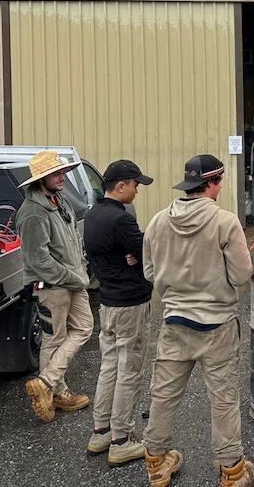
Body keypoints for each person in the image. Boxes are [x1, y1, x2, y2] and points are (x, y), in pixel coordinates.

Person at [142, 154, 254, 487]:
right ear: (212, 183)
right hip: (217, 325)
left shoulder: (159, 221)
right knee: (223, 400)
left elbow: (150, 272)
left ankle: (156, 462)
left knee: (162, 396)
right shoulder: (225, 222)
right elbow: (241, 275)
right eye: (219, 182)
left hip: (174, 322)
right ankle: (232, 470)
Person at [84, 159, 154, 465]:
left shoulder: (92, 215)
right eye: (136, 184)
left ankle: (101, 431)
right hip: (130, 303)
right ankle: (122, 439)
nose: (138, 190)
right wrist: (137, 259)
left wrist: (132, 257)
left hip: (108, 302)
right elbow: (147, 252)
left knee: (109, 366)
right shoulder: (121, 219)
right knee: (130, 370)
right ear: (121, 185)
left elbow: (122, 254)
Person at [16, 150, 94, 424]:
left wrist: (80, 267)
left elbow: (73, 239)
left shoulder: (60, 201)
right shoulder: (32, 213)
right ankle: (56, 392)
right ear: (41, 179)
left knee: (84, 327)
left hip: (73, 279)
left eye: (62, 172)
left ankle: (47, 382)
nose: (62, 177)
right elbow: (37, 259)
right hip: (53, 285)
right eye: (56, 174)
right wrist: (73, 277)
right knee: (54, 337)